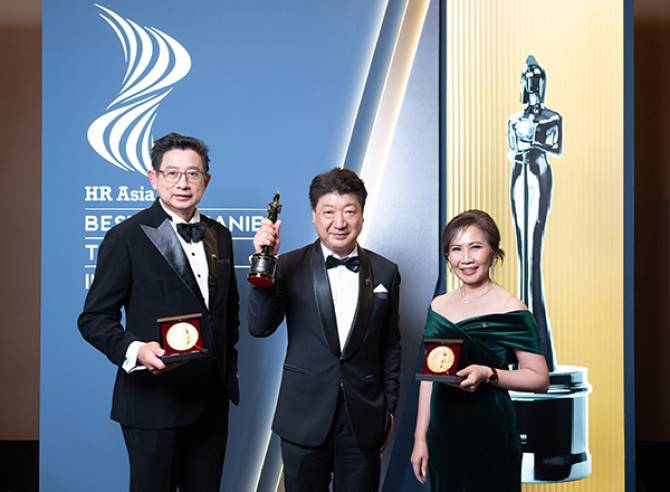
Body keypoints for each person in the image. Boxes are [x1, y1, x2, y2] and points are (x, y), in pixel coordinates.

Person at [78, 132, 239, 492]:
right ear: (153, 178)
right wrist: (136, 350)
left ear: (206, 180)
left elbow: (227, 314)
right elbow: (93, 319)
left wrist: (227, 370)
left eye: (193, 173)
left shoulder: (221, 235)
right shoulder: (125, 237)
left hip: (210, 401)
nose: (183, 183)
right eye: (172, 173)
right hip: (153, 401)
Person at [248, 168, 401, 492]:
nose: (339, 222)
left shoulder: (386, 271)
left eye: (349, 211)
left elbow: (391, 344)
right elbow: (259, 326)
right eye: (329, 212)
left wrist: (388, 410)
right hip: (303, 416)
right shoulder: (287, 265)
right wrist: (264, 261)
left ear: (362, 214)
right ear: (314, 216)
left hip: (363, 419)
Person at [411, 209, 549, 492]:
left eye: (476, 247)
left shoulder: (511, 308)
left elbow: (539, 378)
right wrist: (420, 438)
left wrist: (488, 374)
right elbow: (430, 378)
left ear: (493, 252)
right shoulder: (438, 306)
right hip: (444, 432)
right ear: (448, 256)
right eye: (456, 249)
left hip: (491, 430)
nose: (466, 259)